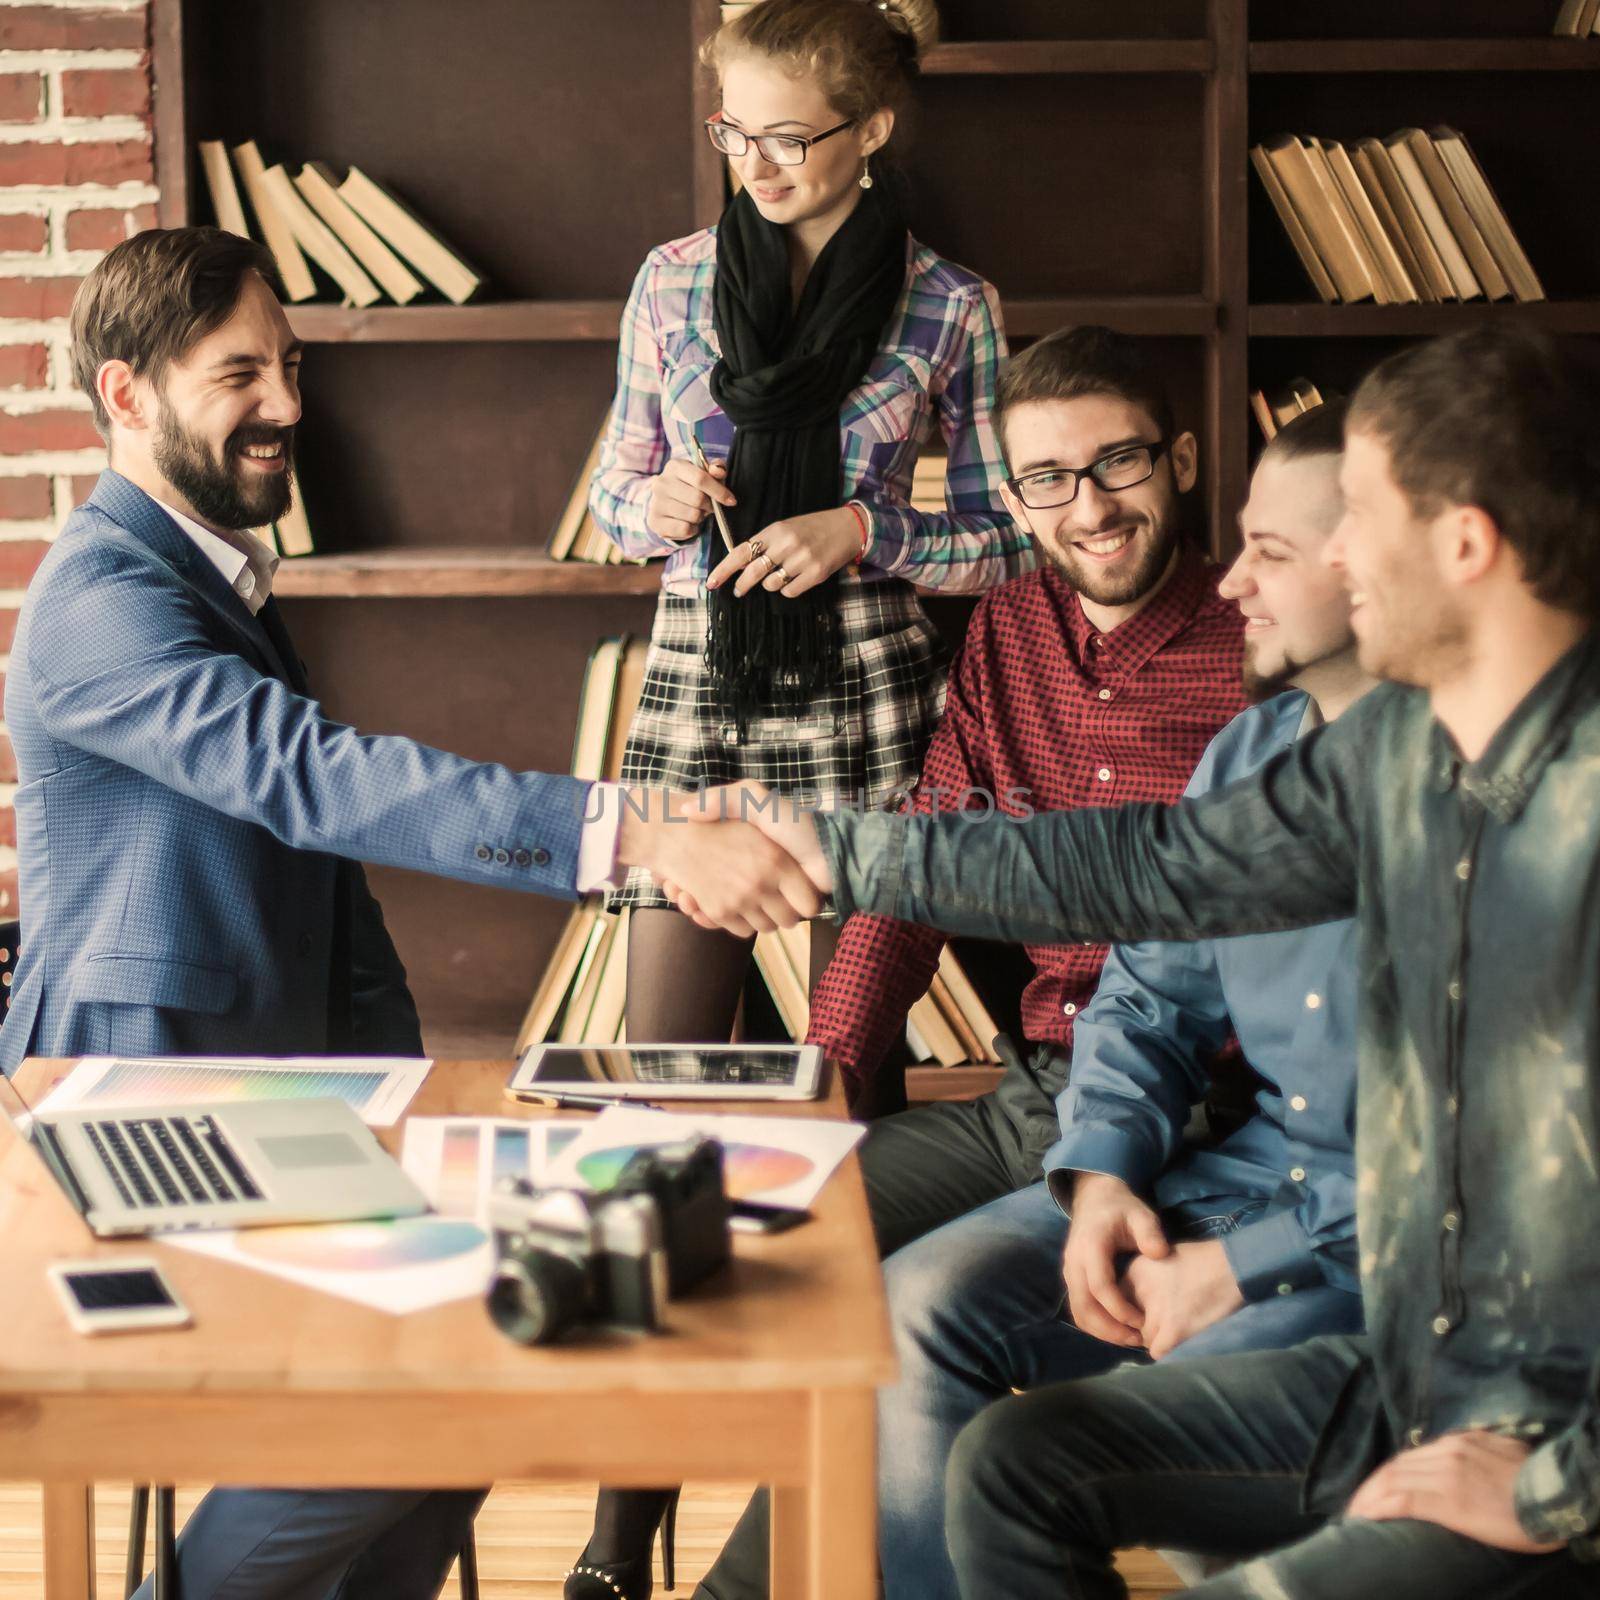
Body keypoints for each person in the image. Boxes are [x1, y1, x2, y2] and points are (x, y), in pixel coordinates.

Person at [3, 226, 818, 1600]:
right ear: (127, 396)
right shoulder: (102, 599)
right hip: (135, 1102)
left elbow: (318, 874)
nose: (287, 407)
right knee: (438, 1380)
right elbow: (321, 785)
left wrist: (406, 1092)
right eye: (239, 374)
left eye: (292, 366)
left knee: (482, 1360)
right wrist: (642, 836)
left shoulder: (207, 578)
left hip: (276, 1086)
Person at [734, 325, 1600, 1597]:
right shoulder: (1364, 759)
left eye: (1341, 520)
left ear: (1461, 546)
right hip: (1313, 1261)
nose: (1278, 569)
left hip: (1491, 1384)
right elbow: (1140, 879)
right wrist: (819, 857)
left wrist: (1552, 1484)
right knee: (981, 1423)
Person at [676, 322, 1249, 1600]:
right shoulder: (1008, 629)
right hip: (1029, 1087)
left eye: (1120, 464)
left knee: (901, 1305)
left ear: (1186, 458)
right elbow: (929, 856)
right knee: (749, 1231)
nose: (1088, 507)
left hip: (1200, 1118)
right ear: (1011, 488)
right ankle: (644, 1562)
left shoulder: (1265, 646)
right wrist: (818, 1074)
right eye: (1047, 477)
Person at [576, 0, 1030, 1590]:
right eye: (736, 132)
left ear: (873, 131)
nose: (757, 163)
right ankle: (622, 1533)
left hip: (874, 733)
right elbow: (618, 494)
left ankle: (834, 1508)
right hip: (700, 713)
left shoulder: (951, 309)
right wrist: (664, 494)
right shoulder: (671, 283)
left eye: (790, 135)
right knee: (663, 1128)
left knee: (851, 1120)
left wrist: (865, 530)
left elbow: (1009, 539)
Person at [867, 400, 1372, 1600]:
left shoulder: (1491, 789)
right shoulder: (1251, 756)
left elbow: (1487, 1148)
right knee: (909, 1306)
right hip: (1230, 1168)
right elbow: (1149, 992)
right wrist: (1097, 1174)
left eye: (1273, 554)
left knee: (1123, 1447)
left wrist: (1243, 1264)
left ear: (1385, 561)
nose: (1233, 581)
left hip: (1378, 1242)